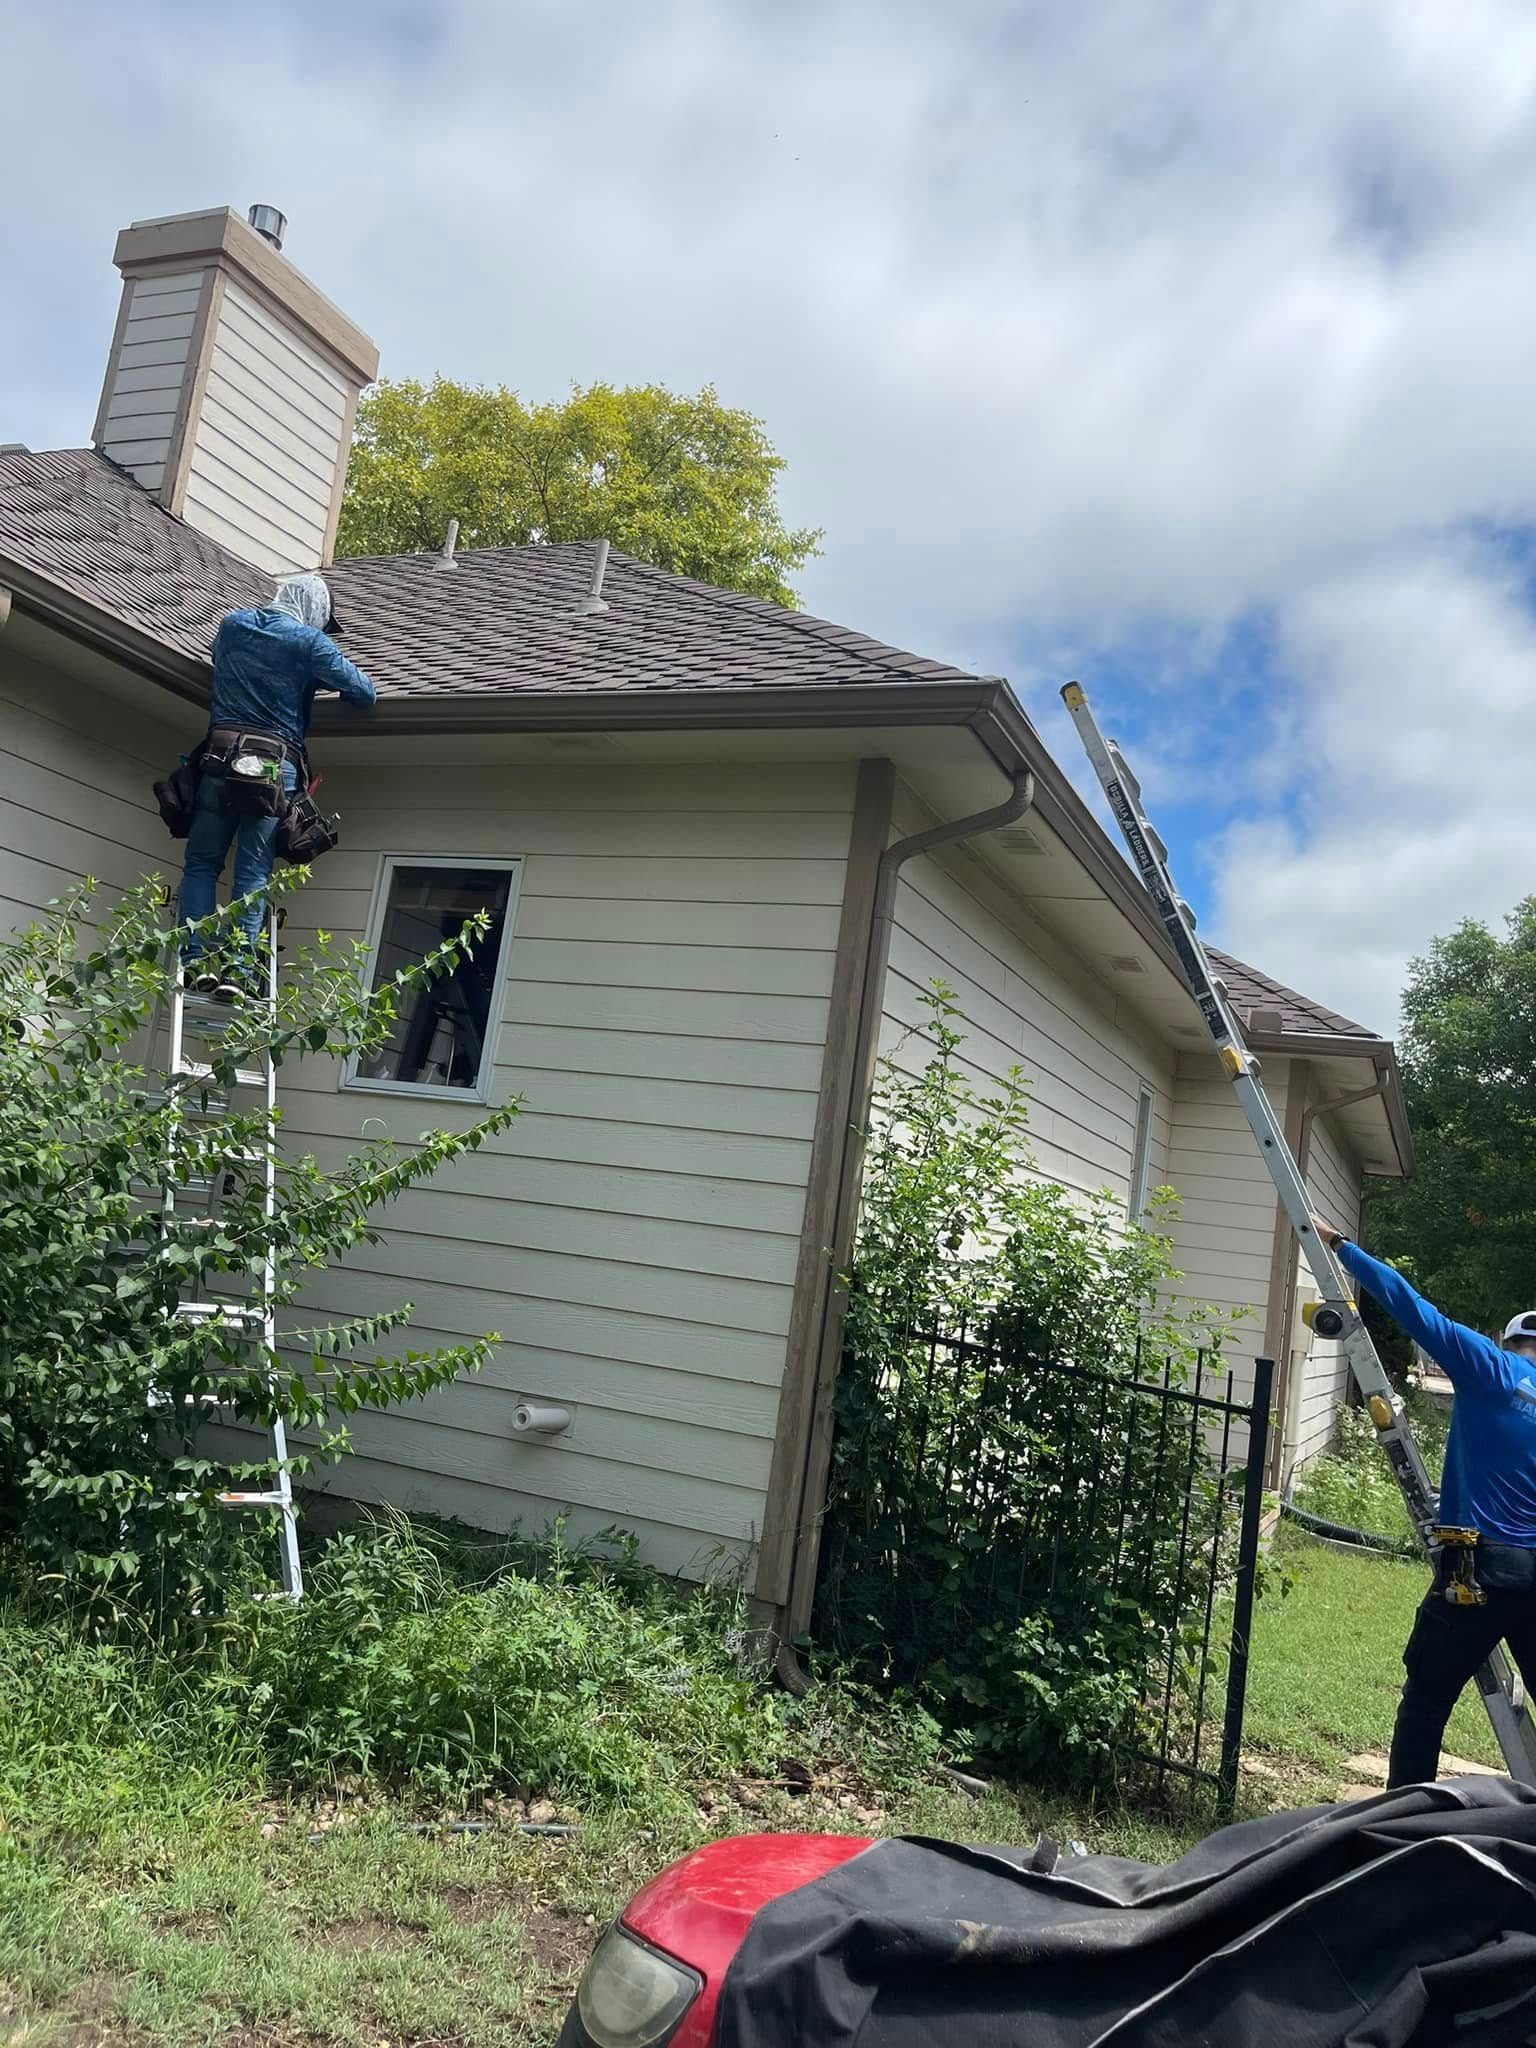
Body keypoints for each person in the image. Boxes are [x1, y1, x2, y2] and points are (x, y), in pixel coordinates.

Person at [1310, 1212, 1536, 1786]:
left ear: (1511, 1343)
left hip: (1478, 1573)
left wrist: (1342, 1246)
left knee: (1427, 1700)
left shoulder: (1493, 1368)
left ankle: (1402, 1825)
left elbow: (1414, 1308)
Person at [178, 572, 375, 998]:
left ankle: (193, 961)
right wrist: (314, 678)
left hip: (220, 758)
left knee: (202, 864)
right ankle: (236, 967)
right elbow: (364, 691)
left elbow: (234, 664)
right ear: (314, 611)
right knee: (252, 871)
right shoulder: (309, 644)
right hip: (272, 768)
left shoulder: (233, 626)